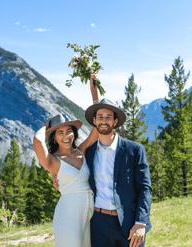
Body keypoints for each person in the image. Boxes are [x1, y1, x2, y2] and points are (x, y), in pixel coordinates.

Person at [53, 95, 152, 247]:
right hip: (99, 224)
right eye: (100, 117)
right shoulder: (88, 154)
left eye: (108, 117)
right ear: (94, 121)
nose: (104, 121)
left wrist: (141, 222)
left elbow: (145, 188)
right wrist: (61, 181)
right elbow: (76, 174)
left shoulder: (135, 150)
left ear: (115, 121)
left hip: (130, 222)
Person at [33, 74, 99, 247]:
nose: (65, 136)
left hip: (90, 211)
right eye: (59, 132)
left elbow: (97, 128)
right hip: (68, 214)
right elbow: (37, 141)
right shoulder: (53, 161)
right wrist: (47, 127)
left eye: (68, 131)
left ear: (74, 133)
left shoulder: (81, 151)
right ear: (54, 138)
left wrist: (95, 93)